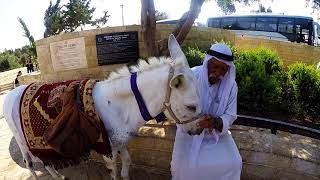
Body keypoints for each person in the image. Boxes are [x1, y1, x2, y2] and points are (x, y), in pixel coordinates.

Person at [171, 43, 242, 180]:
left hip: (216, 134)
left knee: (234, 162)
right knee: (181, 169)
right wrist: (196, 122)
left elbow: (230, 115)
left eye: (224, 69)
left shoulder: (231, 86)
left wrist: (216, 122)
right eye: (215, 66)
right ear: (207, 63)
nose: (219, 72)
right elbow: (178, 107)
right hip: (189, 133)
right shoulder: (192, 76)